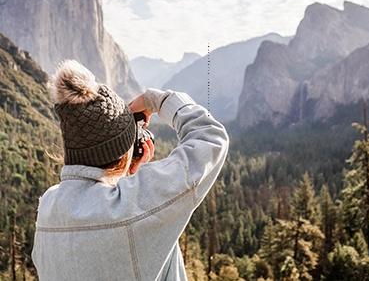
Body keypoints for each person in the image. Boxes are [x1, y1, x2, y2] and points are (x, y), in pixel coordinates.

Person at [31, 59, 229, 280]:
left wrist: (125, 170)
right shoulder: (132, 207)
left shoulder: (48, 207)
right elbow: (211, 138)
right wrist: (159, 100)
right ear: (124, 153)